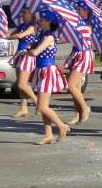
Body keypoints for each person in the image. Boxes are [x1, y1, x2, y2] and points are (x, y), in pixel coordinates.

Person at [28, 9, 71, 145]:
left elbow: (35, 52)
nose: (40, 21)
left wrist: (25, 53)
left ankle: (61, 126)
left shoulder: (49, 37)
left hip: (47, 71)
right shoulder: (43, 35)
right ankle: (48, 134)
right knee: (42, 105)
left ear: (49, 22)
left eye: (42, 20)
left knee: (42, 106)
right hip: (41, 70)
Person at [64, 2, 97, 126]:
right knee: (76, 87)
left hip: (83, 55)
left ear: (86, 10)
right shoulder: (77, 23)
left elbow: (79, 37)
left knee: (71, 85)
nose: (77, 11)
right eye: (76, 9)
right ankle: (77, 114)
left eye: (79, 9)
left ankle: (84, 108)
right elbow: (70, 37)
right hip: (76, 54)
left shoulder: (88, 24)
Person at [4, 8, 37, 119]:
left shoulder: (32, 26)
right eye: (22, 12)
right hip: (20, 55)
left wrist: (7, 37)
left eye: (24, 12)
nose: (22, 14)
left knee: (22, 84)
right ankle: (23, 108)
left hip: (27, 55)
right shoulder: (22, 26)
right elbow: (12, 33)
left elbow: (19, 36)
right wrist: (4, 33)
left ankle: (38, 103)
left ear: (31, 14)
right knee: (21, 84)